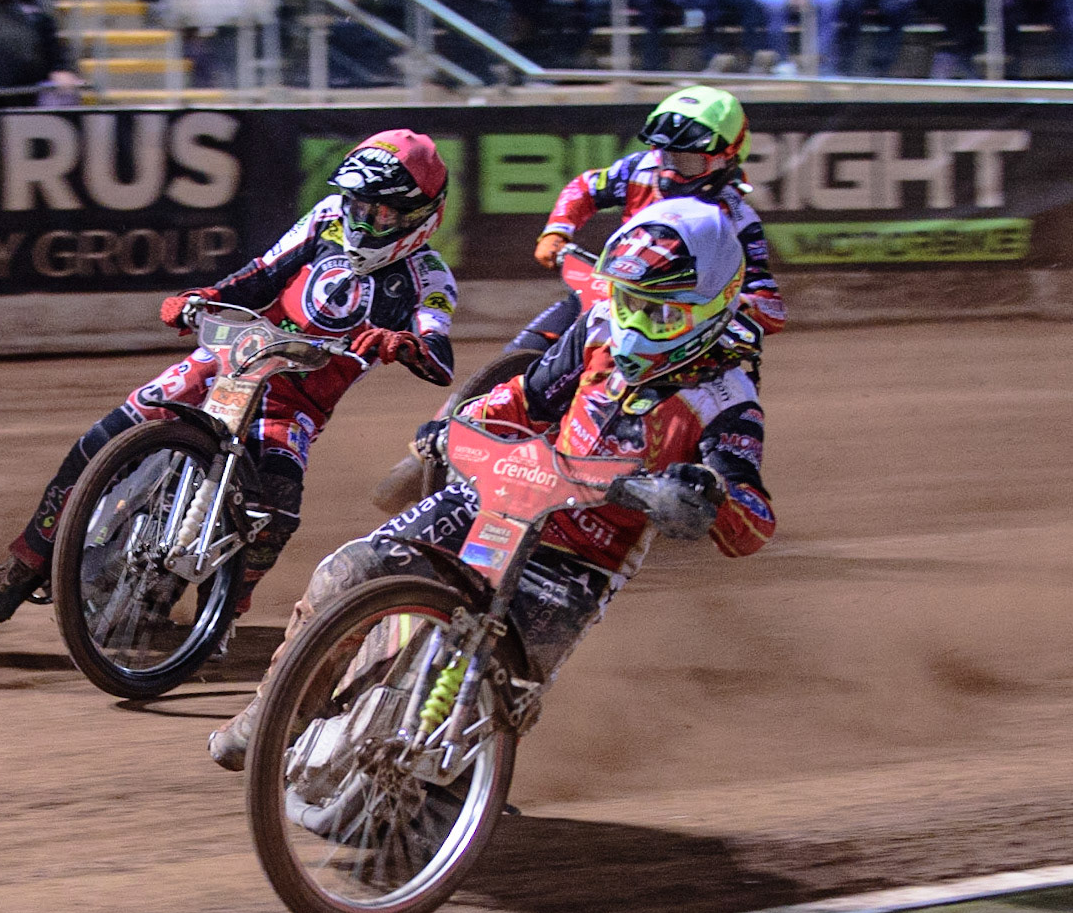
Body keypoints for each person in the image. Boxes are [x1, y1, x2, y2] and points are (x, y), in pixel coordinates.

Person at [207, 196, 776, 768]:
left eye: (659, 313)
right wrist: (459, 424)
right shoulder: (599, 326)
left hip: (583, 558)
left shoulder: (726, 400)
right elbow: (527, 397)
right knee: (350, 571)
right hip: (503, 497)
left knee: (501, 689)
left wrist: (710, 496)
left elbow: (752, 523)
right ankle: (273, 714)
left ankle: (463, 789)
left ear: (712, 308)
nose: (633, 326)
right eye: (628, 301)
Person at [0, 130, 458, 625]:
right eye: (358, 204)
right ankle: (28, 558)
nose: (364, 219)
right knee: (109, 435)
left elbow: (440, 358)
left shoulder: (430, 278)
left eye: (381, 212)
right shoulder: (327, 218)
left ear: (421, 215)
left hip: (293, 404)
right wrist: (200, 297)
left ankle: (219, 616)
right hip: (229, 360)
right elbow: (261, 276)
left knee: (276, 509)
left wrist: (405, 344)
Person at [515, 85, 785, 355]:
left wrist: (723, 305)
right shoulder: (640, 169)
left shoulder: (737, 219)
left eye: (688, 163)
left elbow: (770, 305)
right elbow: (584, 187)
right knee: (527, 348)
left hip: (670, 335)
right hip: (609, 296)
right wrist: (557, 231)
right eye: (667, 155)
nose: (671, 172)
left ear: (727, 158)